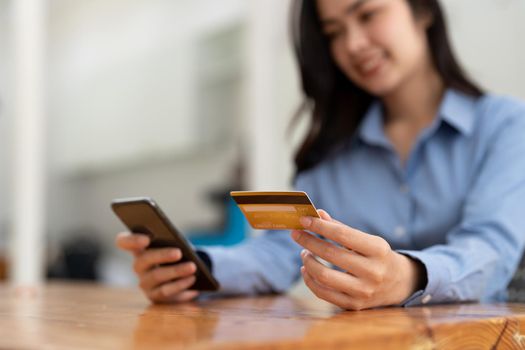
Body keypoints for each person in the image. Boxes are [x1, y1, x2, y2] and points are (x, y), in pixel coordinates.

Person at [116, 0, 525, 310]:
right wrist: (194, 268)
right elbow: (283, 251)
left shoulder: (505, 125)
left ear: (421, 10)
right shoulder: (332, 151)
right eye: (333, 32)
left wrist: (409, 275)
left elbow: (492, 249)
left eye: (366, 15)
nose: (353, 44)